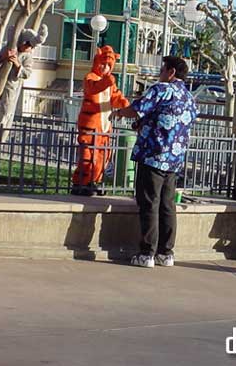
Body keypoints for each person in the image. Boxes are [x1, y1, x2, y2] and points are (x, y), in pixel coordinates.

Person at [111, 56, 198, 268]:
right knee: (168, 205)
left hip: (153, 155)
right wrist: (145, 123)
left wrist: (119, 113)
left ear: (171, 72)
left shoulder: (162, 89)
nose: (160, 74)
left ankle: (146, 253)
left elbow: (138, 107)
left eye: (162, 70)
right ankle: (166, 253)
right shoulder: (188, 97)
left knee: (149, 202)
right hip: (174, 159)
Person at [71, 45, 130, 196]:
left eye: (108, 65)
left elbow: (117, 97)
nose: (104, 67)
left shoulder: (110, 83)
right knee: (87, 155)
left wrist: (126, 106)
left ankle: (93, 181)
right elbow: (92, 89)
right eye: (102, 64)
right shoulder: (90, 77)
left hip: (104, 126)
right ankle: (80, 183)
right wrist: (107, 82)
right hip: (90, 125)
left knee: (102, 156)